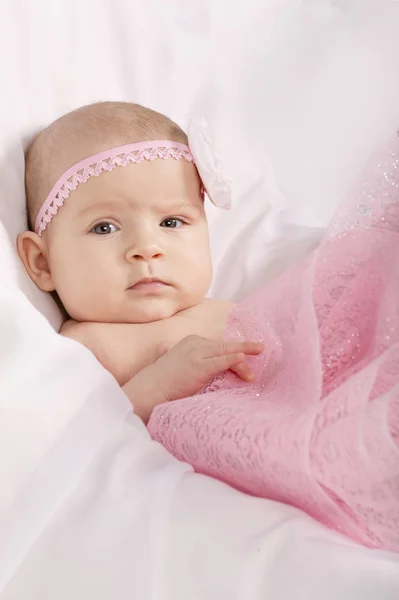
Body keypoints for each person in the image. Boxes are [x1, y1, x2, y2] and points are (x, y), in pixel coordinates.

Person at [18, 101, 399, 552]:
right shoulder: (84, 342)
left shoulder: (223, 305)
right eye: (105, 227)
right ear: (42, 263)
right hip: (256, 438)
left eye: (172, 221)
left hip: (315, 394)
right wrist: (159, 383)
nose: (146, 247)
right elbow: (92, 433)